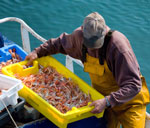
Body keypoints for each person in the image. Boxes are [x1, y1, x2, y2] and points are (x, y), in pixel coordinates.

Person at [26, 12, 150, 128]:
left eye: (97, 44)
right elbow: (58, 43)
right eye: (89, 44)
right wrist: (38, 52)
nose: (93, 49)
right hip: (101, 98)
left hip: (130, 102)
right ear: (82, 31)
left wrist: (107, 101)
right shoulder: (78, 37)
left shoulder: (119, 47)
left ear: (105, 33)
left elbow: (134, 85)